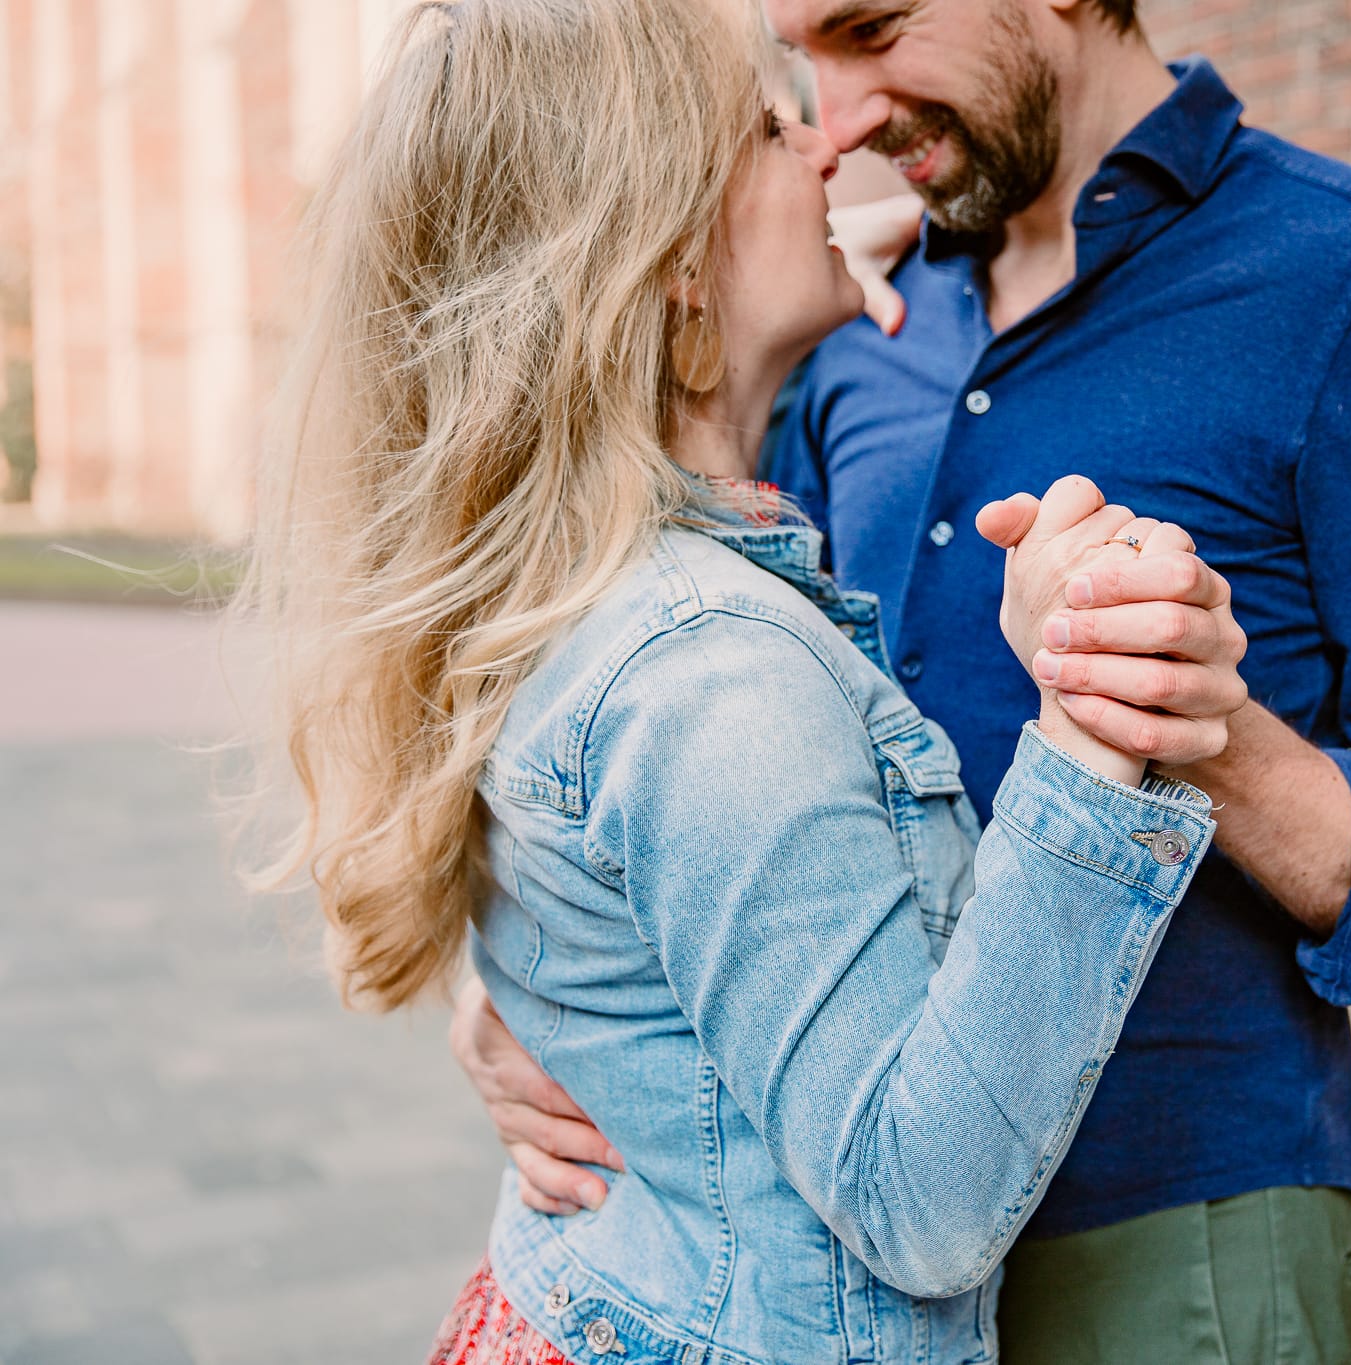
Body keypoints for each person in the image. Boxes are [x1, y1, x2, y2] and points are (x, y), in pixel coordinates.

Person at [455, 0, 1351, 1360]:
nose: (836, 126)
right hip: (846, 1240)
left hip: (1175, 1241)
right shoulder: (858, 321)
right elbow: (691, 719)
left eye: (874, 29)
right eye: (803, 66)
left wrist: (1196, 723)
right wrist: (528, 986)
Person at [238, 2, 1260, 1362]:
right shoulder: (708, 672)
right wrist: (1085, 726)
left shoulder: (589, 590)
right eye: (771, 125)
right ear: (663, 256)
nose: (831, 147)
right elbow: (923, 1201)